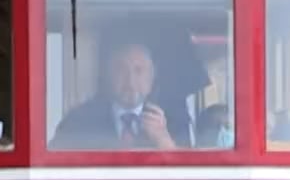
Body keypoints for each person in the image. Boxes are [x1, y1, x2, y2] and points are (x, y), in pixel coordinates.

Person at [50, 41, 192, 149]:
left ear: (152, 76)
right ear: (108, 75)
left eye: (139, 70)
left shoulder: (175, 119)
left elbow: (190, 176)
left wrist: (163, 140)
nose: (130, 80)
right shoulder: (79, 120)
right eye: (120, 70)